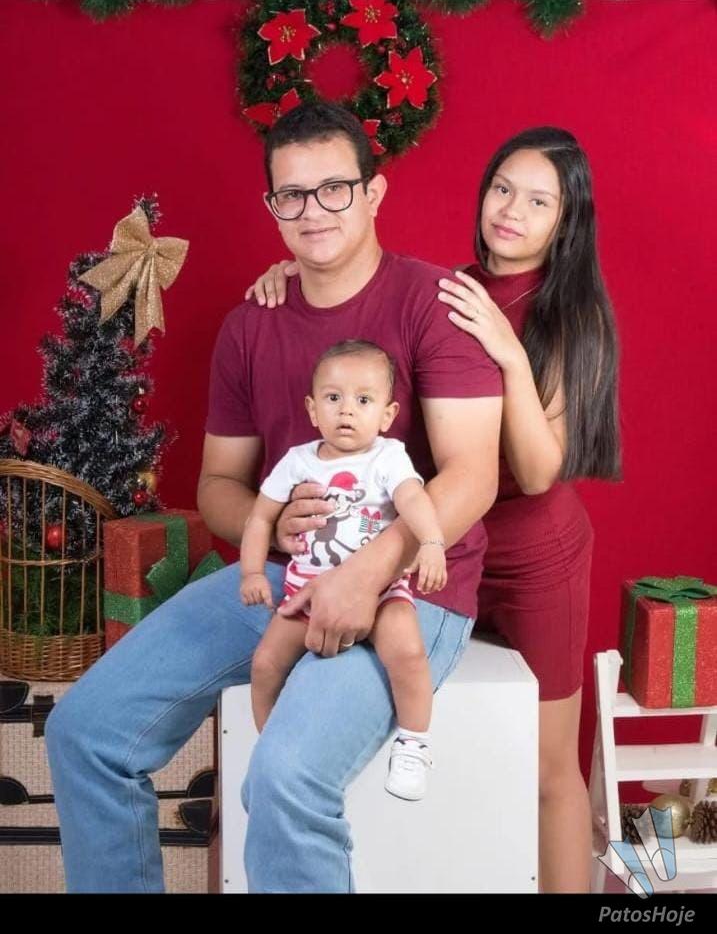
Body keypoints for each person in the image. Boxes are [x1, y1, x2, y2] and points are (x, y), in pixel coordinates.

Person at [44, 100, 503, 893]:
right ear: (272, 206)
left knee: (284, 777)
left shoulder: (432, 303)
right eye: (291, 194)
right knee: (85, 732)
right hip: (286, 578)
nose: (311, 210)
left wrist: (364, 573)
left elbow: (472, 475)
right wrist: (277, 523)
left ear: (373, 193)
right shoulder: (249, 327)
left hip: (409, 588)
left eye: (333, 189)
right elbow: (218, 486)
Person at [245, 125, 621, 892]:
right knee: (458, 726)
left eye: (538, 201)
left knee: (547, 765)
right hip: (441, 543)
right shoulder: (445, 288)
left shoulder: (570, 312)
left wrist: (507, 352)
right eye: (501, 189)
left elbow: (537, 470)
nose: (510, 210)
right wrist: (297, 272)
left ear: (566, 220)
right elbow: (365, 360)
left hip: (533, 557)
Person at [242, 339, 447, 801]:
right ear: (313, 409)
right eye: (333, 398)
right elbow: (260, 517)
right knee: (265, 664)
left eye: (364, 400)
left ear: (388, 415)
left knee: (408, 652)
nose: (347, 410)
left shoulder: (387, 457)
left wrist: (433, 542)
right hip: (306, 592)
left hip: (380, 591)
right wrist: (252, 572)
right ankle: (268, 744)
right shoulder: (298, 461)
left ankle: (413, 744)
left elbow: (413, 498)